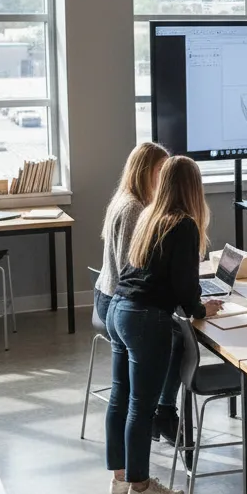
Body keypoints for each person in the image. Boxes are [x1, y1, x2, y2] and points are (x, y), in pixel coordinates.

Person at [106, 156, 223, 494]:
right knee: (142, 407)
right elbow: (185, 286)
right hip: (145, 319)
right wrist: (202, 310)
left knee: (120, 399)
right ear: (192, 187)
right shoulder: (184, 224)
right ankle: (141, 489)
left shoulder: (149, 216)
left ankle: (121, 477)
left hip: (119, 310)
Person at [96, 141, 185, 444]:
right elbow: (128, 273)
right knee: (177, 337)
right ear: (147, 171)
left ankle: (162, 412)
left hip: (109, 297)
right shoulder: (135, 209)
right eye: (162, 170)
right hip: (117, 303)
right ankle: (165, 410)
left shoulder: (126, 199)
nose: (165, 177)